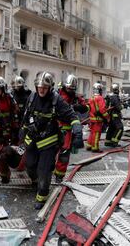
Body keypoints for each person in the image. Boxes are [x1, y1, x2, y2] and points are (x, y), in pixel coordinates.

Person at [20, 72, 83, 209]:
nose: (41, 90)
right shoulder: (32, 97)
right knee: (30, 165)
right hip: (32, 139)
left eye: (45, 87)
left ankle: (42, 196)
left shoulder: (57, 100)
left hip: (49, 141)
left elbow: (72, 116)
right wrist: (22, 131)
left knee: (44, 169)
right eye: (39, 86)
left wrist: (77, 131)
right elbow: (26, 116)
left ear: (50, 87)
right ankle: (37, 180)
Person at [55, 74, 88, 182]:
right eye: (69, 88)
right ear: (65, 86)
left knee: (64, 152)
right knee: (50, 150)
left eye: (72, 89)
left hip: (68, 129)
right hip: (55, 127)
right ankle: (46, 170)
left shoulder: (74, 96)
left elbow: (86, 107)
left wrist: (80, 107)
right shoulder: (57, 95)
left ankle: (59, 175)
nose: (70, 90)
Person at [10, 75, 31, 170]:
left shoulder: (28, 95)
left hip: (24, 123)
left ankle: (22, 163)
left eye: (18, 86)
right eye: (15, 87)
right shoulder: (11, 94)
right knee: (14, 142)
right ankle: (16, 162)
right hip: (14, 123)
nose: (16, 89)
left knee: (23, 143)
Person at [87, 83, 109, 152]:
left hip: (92, 119)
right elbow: (102, 110)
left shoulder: (91, 98)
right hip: (98, 120)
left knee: (92, 132)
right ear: (99, 90)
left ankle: (89, 145)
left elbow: (89, 109)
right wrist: (107, 117)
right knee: (96, 133)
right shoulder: (100, 98)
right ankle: (95, 148)